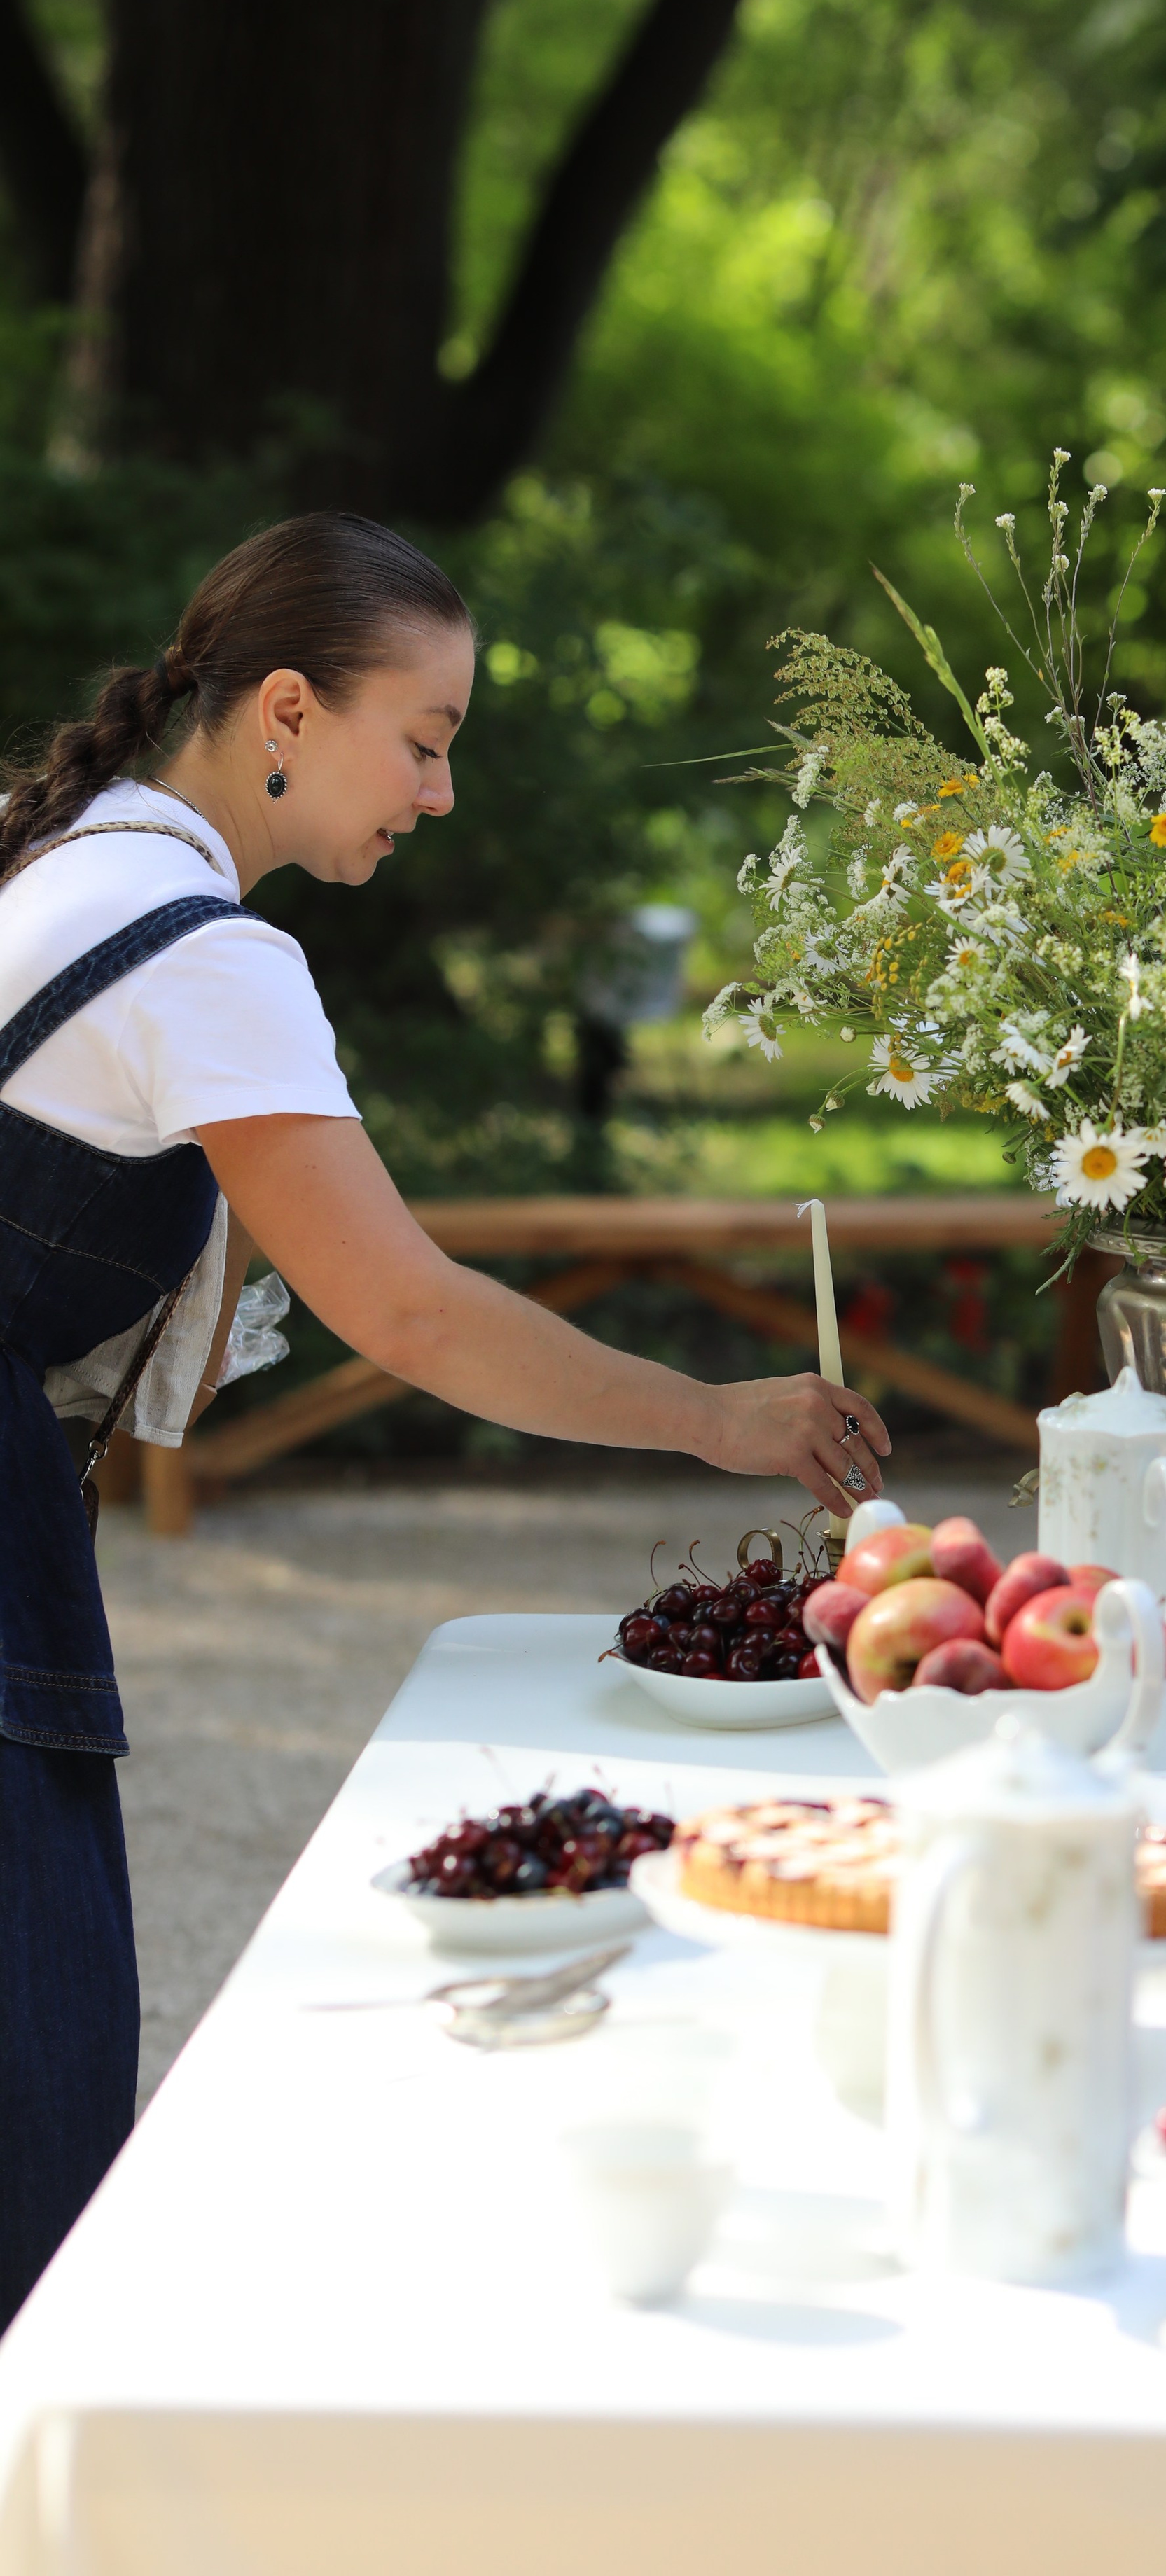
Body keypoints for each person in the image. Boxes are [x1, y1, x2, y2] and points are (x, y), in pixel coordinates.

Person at [0, 511, 889, 2329]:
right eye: (424, 739)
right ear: (285, 711)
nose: (442, 791)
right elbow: (405, 1308)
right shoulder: (201, 953)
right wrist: (718, 1419)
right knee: (36, 2120)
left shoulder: (62, 862)